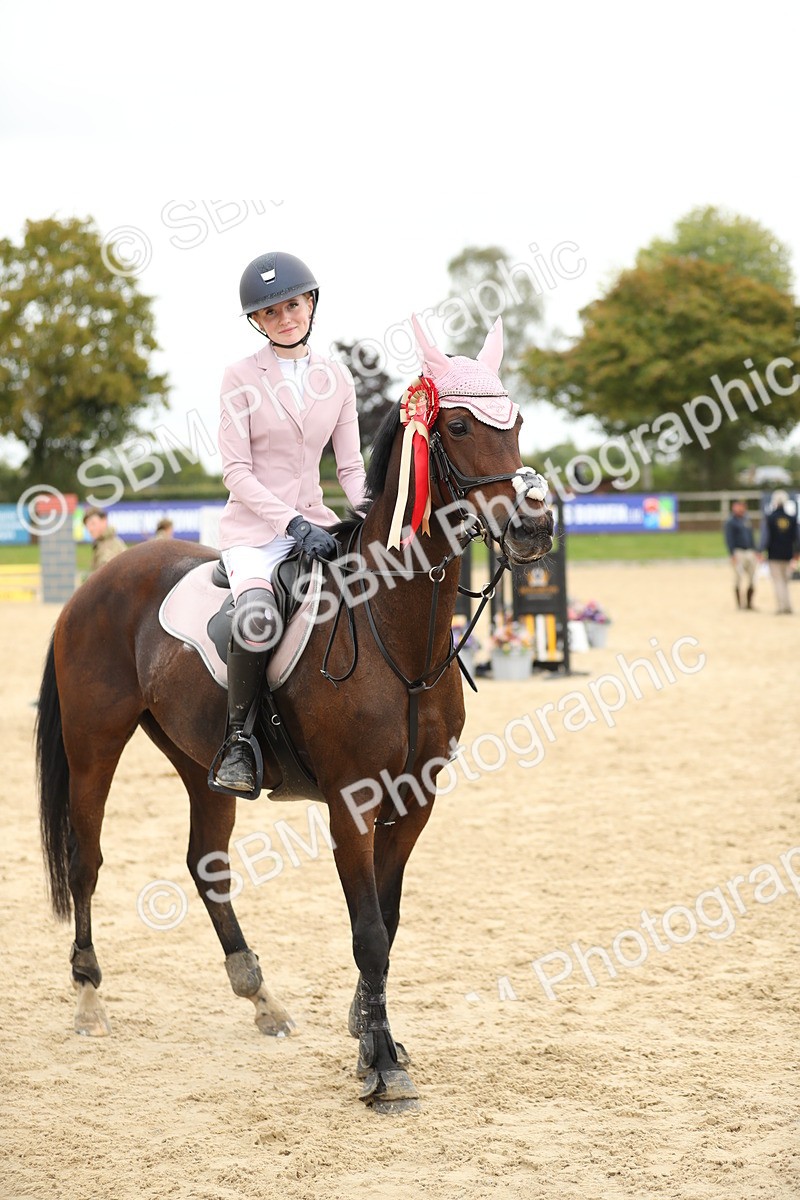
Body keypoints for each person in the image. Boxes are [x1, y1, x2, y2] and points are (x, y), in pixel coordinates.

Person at [212, 251, 367, 795]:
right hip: (255, 536)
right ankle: (238, 743)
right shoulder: (238, 377)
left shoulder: (337, 376)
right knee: (255, 620)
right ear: (257, 321)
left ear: (311, 304)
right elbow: (236, 471)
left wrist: (370, 507)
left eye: (293, 305)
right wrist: (291, 524)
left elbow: (348, 465)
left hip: (320, 524)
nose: (285, 318)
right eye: (271, 312)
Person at [759, 489, 799, 614]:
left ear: (774, 502)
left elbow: (766, 537)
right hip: (788, 554)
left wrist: (760, 550)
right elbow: (797, 537)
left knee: (778, 582)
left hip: (774, 554)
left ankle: (782, 607)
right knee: (786, 581)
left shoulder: (769, 518)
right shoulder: (791, 519)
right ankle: (788, 606)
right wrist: (797, 552)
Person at [724, 498, 757, 609]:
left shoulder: (746, 519)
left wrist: (755, 550)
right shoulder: (731, 522)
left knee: (752, 577)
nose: (741, 508)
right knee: (738, 577)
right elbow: (729, 539)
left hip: (749, 551)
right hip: (738, 552)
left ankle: (749, 603)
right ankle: (739, 604)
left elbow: (751, 537)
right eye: (739, 506)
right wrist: (732, 553)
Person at [83, 506, 127, 575]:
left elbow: (103, 577)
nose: (90, 529)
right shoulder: (101, 543)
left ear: (104, 521)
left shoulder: (111, 545)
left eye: (93, 523)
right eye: (87, 525)